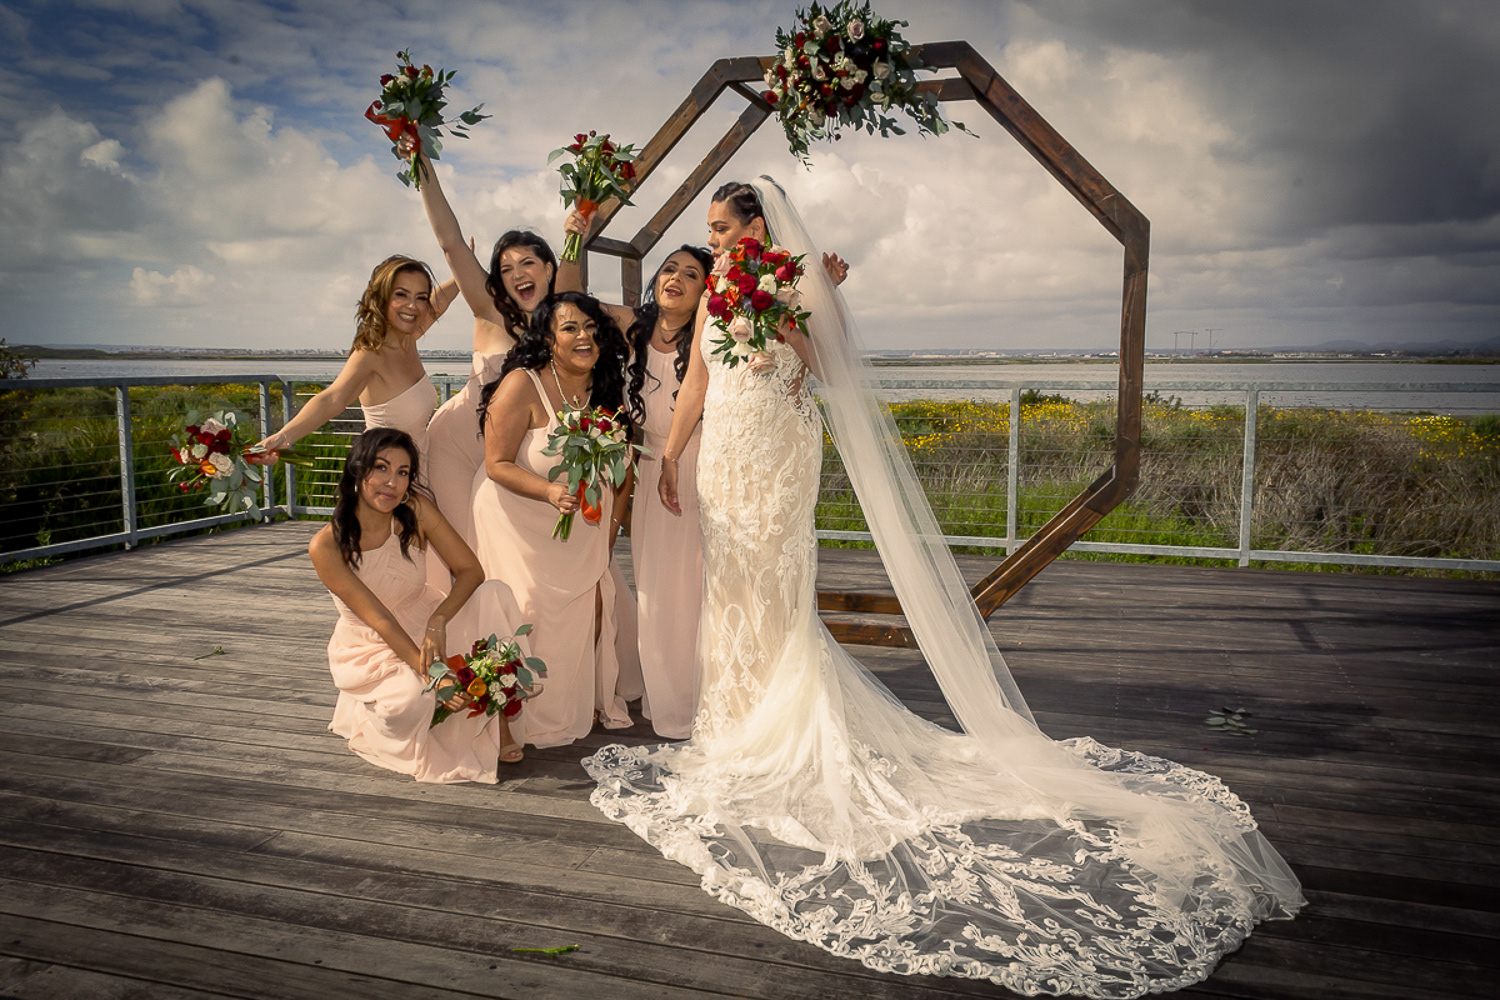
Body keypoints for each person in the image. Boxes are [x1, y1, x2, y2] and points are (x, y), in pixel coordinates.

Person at [584, 178, 1305, 998]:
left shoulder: (791, 279)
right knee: (732, 588)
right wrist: (675, 455)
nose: (715, 240)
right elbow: (699, 385)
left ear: (758, 225)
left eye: (724, 228)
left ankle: (783, 719)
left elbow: (826, 369)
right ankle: (738, 715)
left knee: (776, 583)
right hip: (720, 454)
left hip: (778, 448)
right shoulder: (716, 287)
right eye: (710, 229)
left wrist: (791, 314)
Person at [310, 428, 525, 779]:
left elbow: (471, 571)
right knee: (411, 701)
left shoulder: (416, 511)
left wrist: (438, 622)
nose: (391, 483)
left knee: (495, 594)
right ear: (357, 469)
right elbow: (381, 620)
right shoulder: (327, 546)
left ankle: (498, 720)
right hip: (371, 644)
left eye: (403, 472)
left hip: (424, 617)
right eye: (381, 468)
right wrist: (436, 677)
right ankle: (367, 715)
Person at [472, 292, 637, 748]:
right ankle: (514, 717)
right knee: (528, 613)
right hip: (516, 520)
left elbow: (625, 474)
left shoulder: (608, 389)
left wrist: (610, 532)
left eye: (591, 328)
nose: (585, 336)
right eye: (570, 328)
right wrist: (547, 491)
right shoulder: (522, 385)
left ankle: (577, 700)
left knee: (588, 608)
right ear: (548, 339)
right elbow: (496, 464)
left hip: (582, 529)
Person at [254, 256, 455, 458]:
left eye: (421, 297)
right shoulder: (372, 353)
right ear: (382, 298)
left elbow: (440, 302)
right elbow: (333, 399)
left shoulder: (407, 338)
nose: (412, 305)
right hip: (385, 470)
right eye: (401, 295)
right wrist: (282, 437)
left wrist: (465, 267)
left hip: (416, 466)